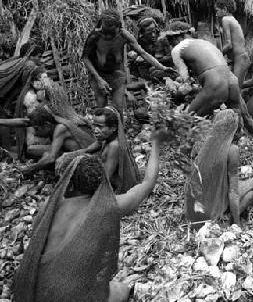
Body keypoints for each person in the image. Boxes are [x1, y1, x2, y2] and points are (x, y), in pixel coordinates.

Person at [13, 128, 168, 301]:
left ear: (69, 182)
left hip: (34, 288)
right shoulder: (108, 207)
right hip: (69, 294)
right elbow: (147, 184)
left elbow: (36, 238)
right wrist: (155, 144)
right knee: (121, 289)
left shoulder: (50, 206)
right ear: (100, 182)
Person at [168, 21, 253, 158]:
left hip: (215, 83)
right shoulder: (204, 43)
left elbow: (186, 83)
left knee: (187, 119)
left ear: (173, 38)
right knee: (248, 120)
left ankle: (185, 162)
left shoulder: (177, 49)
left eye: (169, 41)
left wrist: (175, 92)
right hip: (231, 80)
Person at [185, 109, 253, 225]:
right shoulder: (232, 150)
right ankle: (230, 221)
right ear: (234, 132)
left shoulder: (205, 142)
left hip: (194, 207)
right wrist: (237, 225)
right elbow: (233, 192)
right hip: (210, 209)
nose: (242, 132)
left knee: (242, 181)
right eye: (240, 129)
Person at [82, 9, 171, 112]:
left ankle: (120, 126)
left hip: (116, 73)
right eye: (105, 31)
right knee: (102, 107)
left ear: (118, 27)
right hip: (96, 73)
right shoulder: (94, 36)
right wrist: (99, 79)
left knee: (118, 107)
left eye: (111, 32)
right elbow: (85, 58)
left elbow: (143, 54)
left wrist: (163, 67)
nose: (108, 36)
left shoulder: (124, 35)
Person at [66, 106, 140, 194]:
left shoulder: (114, 146)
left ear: (113, 128)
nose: (95, 130)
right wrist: (70, 155)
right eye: (94, 125)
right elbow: (89, 149)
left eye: (100, 127)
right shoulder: (105, 138)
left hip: (113, 189)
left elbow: (106, 178)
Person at [17, 105, 95, 176]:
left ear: (47, 124)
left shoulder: (60, 129)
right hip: (78, 156)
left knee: (47, 156)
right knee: (43, 154)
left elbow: (51, 158)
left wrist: (30, 168)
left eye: (37, 128)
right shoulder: (55, 128)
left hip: (87, 162)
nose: (36, 133)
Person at [215, 0, 251, 88]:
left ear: (224, 9)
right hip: (239, 59)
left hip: (241, 59)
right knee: (231, 86)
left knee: (235, 91)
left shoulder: (225, 20)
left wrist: (216, 53)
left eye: (217, 10)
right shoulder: (232, 19)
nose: (216, 13)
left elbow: (228, 44)